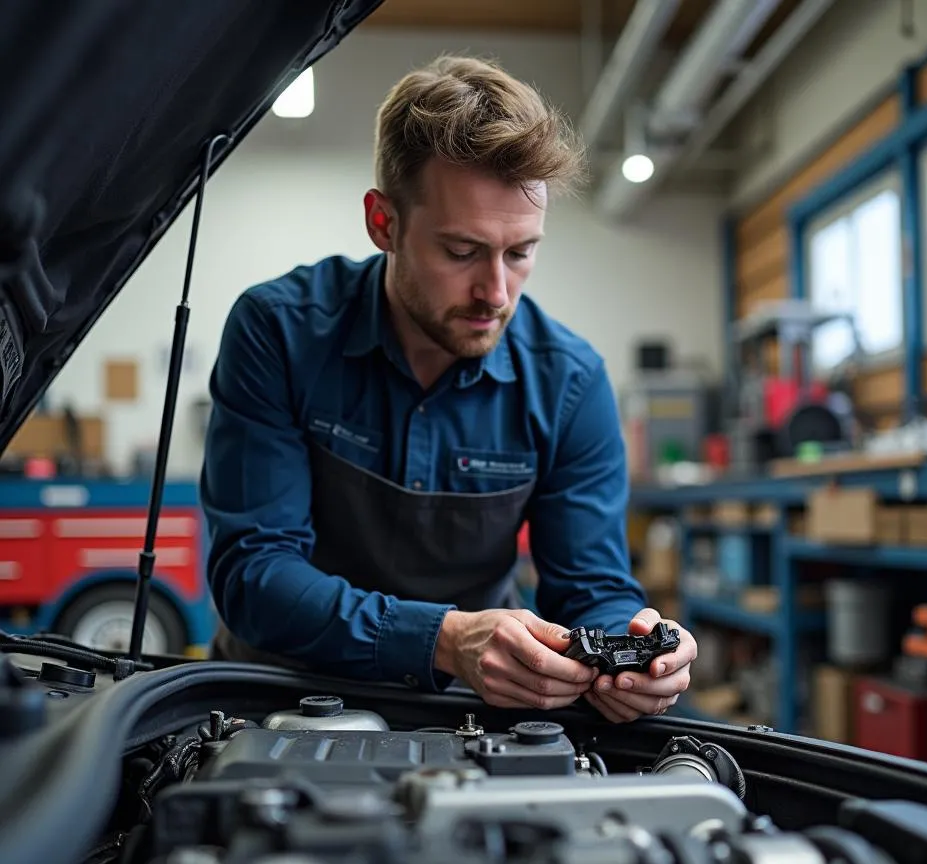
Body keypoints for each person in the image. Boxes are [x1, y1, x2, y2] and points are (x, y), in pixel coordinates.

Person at [199, 54, 697, 723]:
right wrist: (441, 640)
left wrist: (635, 651)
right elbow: (253, 575)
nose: (495, 292)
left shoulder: (570, 383)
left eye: (520, 253)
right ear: (385, 224)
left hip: (469, 707)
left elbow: (590, 586)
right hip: (277, 694)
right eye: (461, 252)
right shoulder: (279, 333)